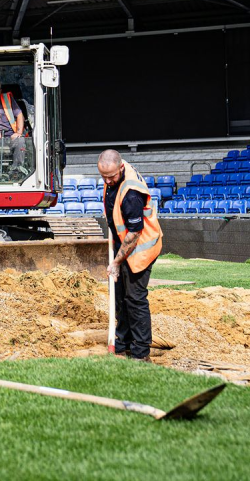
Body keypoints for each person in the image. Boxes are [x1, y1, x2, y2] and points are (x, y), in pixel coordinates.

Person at [98, 149, 163, 362]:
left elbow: (134, 233)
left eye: (112, 176)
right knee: (119, 296)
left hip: (140, 248)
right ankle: (122, 343)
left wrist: (116, 262)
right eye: (104, 177)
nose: (108, 180)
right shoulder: (114, 170)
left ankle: (141, 352)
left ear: (121, 168)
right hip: (123, 244)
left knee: (135, 299)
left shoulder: (131, 193)